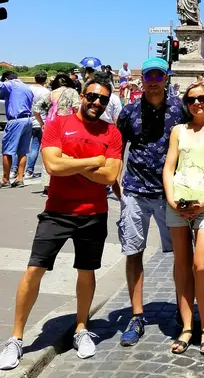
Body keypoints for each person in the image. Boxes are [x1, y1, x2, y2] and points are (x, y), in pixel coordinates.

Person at [0, 75, 122, 370]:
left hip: (93, 213)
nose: (97, 102)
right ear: (82, 96)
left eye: (103, 99)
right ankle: (16, 338)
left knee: (87, 272)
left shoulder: (112, 133)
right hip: (56, 212)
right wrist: (93, 161)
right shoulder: (58, 124)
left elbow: (109, 176)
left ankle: (81, 328)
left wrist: (72, 163)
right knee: (34, 270)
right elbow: (53, 165)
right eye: (92, 96)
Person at [113, 57, 204, 347]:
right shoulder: (128, 112)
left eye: (158, 76)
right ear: (143, 79)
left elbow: (203, 120)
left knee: (186, 260)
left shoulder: (180, 108)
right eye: (148, 76)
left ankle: (185, 314)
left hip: (174, 195)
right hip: (136, 189)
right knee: (134, 252)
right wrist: (115, 180)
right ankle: (137, 316)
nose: (153, 81)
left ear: (166, 78)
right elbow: (118, 147)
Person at [163, 82, 204, 355]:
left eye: (202, 98)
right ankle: (187, 326)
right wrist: (170, 199)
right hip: (177, 201)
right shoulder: (178, 130)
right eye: (191, 100)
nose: (197, 103)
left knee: (201, 266)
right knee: (181, 266)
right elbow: (169, 166)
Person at [33, 74, 81, 195]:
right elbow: (76, 108)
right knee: (67, 154)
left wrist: (42, 123)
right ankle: (65, 183)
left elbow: (36, 109)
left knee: (48, 154)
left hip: (50, 125)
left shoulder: (51, 94)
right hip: (67, 126)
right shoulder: (72, 92)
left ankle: (47, 186)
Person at [0, 71, 34, 188]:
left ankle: (5, 179)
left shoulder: (10, 84)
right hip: (28, 120)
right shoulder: (26, 87)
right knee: (22, 151)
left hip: (15, 120)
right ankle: (19, 178)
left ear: (6, 79)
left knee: (7, 150)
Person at [19, 71, 49, 179]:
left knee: (21, 147)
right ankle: (29, 170)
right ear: (45, 80)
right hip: (40, 120)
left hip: (27, 119)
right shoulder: (47, 92)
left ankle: (15, 170)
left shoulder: (28, 89)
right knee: (35, 147)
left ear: (35, 79)